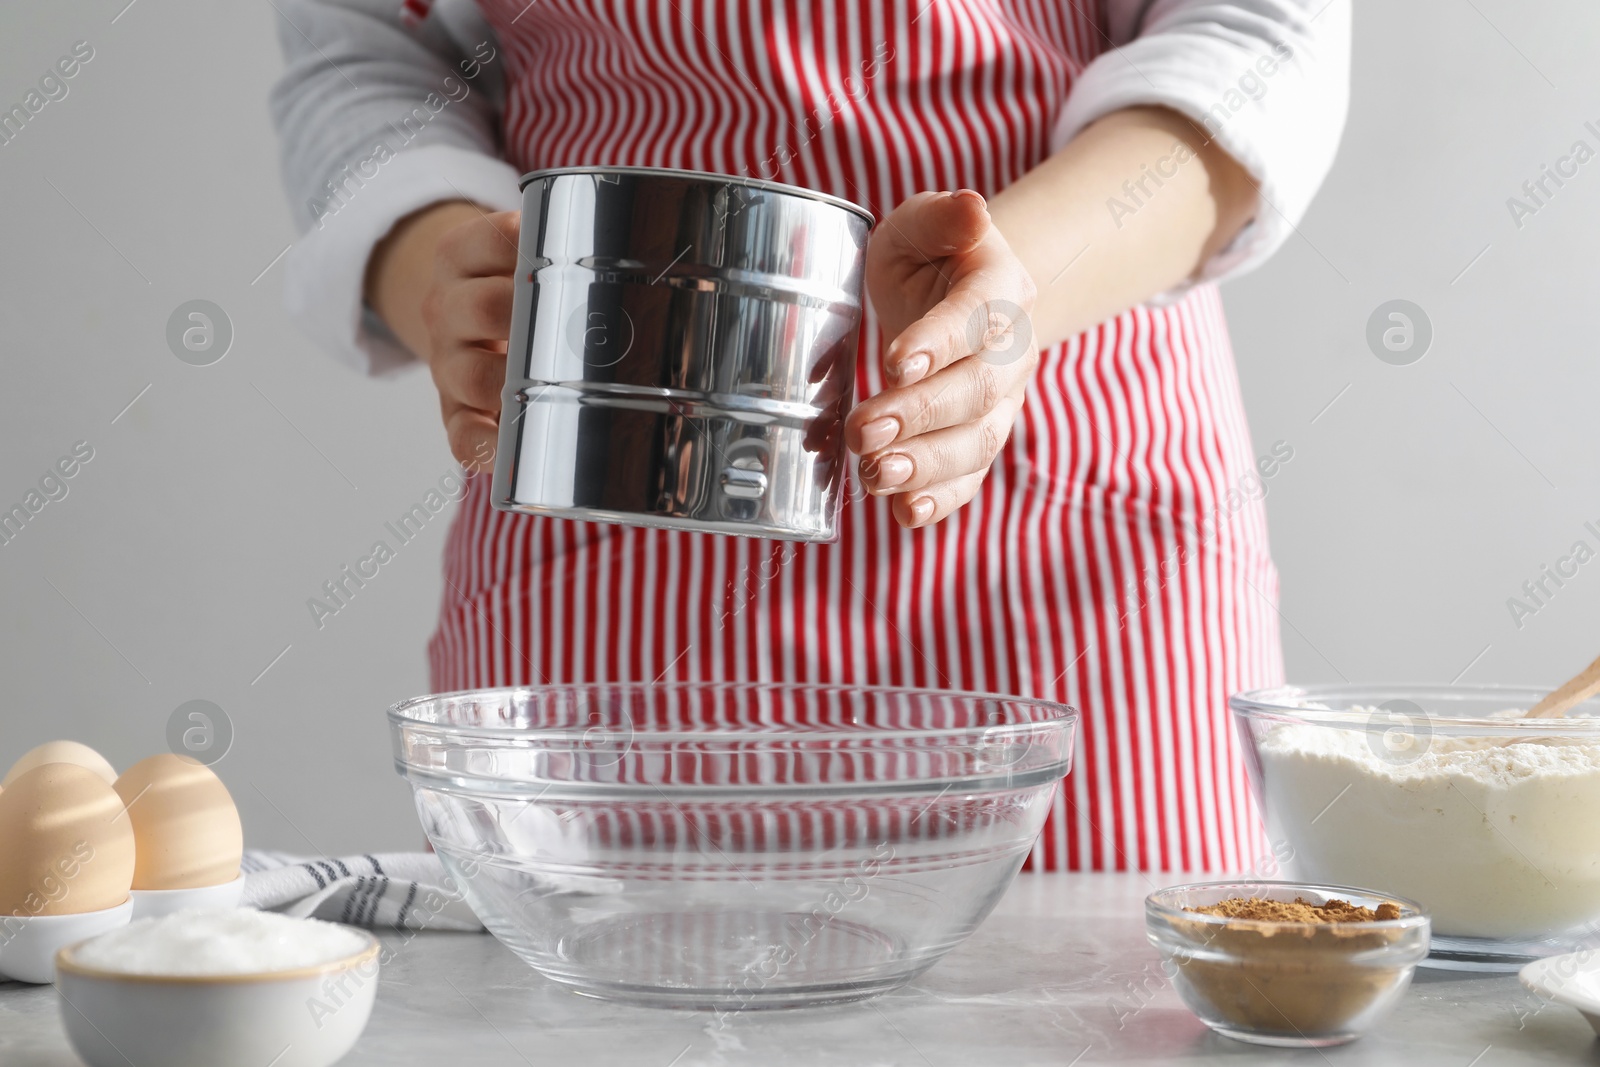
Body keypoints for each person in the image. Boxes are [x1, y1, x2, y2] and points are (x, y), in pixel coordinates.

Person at [271, 0, 1350, 872]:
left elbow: (1256, 36)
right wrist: (447, 267)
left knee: (1112, 1016)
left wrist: (1006, 289)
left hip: (1073, 499)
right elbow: (364, 59)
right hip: (611, 507)